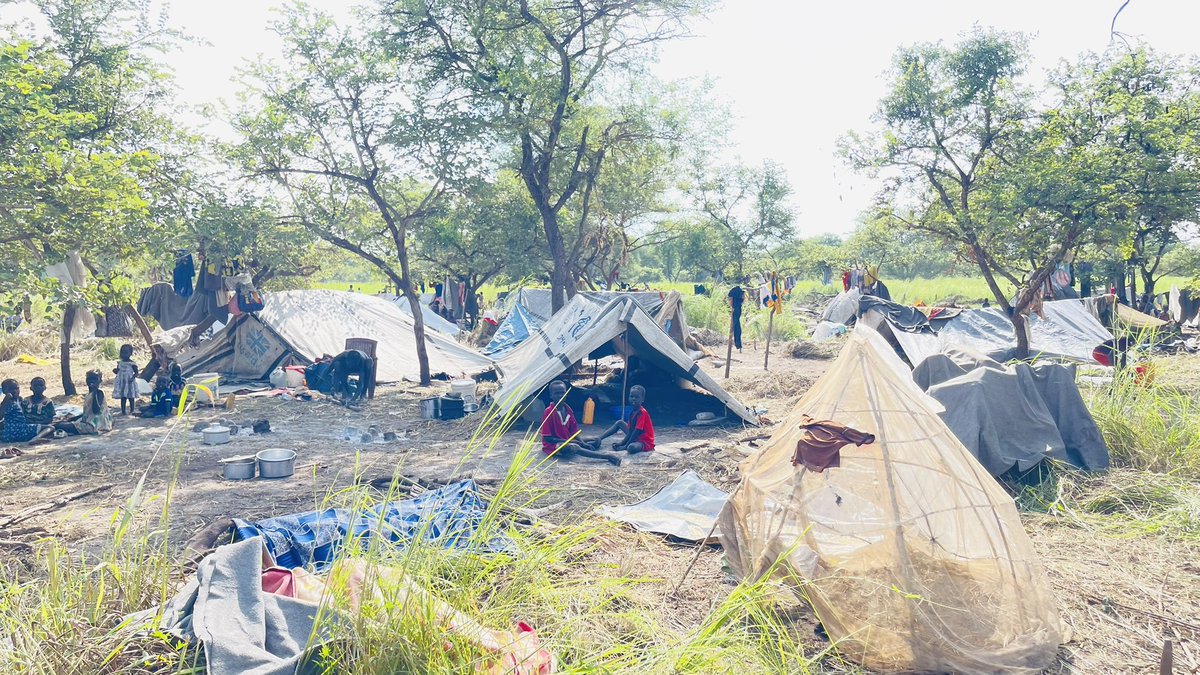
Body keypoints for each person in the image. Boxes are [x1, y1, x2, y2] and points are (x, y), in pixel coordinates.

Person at [540, 381, 623, 466]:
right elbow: (548, 439)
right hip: (554, 445)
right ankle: (607, 456)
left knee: (596, 439)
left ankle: (583, 448)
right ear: (551, 395)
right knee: (573, 447)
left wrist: (582, 443)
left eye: (562, 393)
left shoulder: (568, 410)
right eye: (557, 393)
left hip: (568, 439)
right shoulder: (549, 412)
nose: (560, 396)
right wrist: (574, 442)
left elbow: (574, 432)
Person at [593, 384, 655, 454]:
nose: (633, 399)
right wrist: (622, 443)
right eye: (631, 396)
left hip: (644, 441)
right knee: (620, 423)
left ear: (642, 399)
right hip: (635, 437)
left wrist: (625, 446)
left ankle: (629, 445)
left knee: (631, 448)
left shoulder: (642, 413)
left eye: (637, 397)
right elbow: (631, 431)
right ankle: (599, 438)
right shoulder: (632, 412)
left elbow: (636, 432)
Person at [56, 370, 112, 436]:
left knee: (60, 426)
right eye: (89, 379)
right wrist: (73, 418)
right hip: (90, 421)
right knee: (65, 423)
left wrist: (95, 392)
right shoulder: (89, 394)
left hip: (95, 425)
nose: (92, 381)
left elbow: (96, 410)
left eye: (95, 379)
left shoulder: (99, 393)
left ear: (100, 380)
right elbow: (88, 413)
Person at [1, 379, 54, 443]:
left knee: (46, 430)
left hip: (10, 433)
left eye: (16, 388)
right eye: (10, 389)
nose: (15, 391)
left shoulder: (19, 399)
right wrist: (5, 401)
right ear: (4, 391)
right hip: (19, 431)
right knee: (50, 428)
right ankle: (36, 438)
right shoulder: (7, 402)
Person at [112, 343, 139, 415]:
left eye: (126, 352)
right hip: (122, 382)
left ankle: (132, 410)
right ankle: (123, 411)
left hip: (129, 382)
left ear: (130, 353)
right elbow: (118, 371)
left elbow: (136, 373)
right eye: (122, 352)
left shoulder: (132, 363)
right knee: (123, 397)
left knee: (131, 397)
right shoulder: (120, 363)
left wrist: (132, 378)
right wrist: (115, 371)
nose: (124, 354)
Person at [727, 281, 745, 351]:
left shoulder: (734, 293)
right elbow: (743, 300)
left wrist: (732, 307)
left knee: (735, 327)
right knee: (737, 327)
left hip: (735, 310)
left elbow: (731, 301)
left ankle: (737, 344)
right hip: (738, 310)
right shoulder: (739, 293)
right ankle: (738, 345)